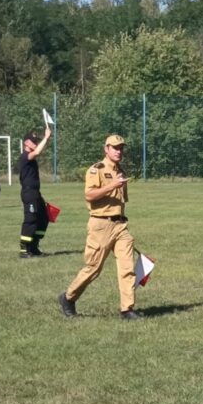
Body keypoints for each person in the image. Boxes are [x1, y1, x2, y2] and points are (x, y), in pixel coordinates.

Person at [59, 135, 142, 320]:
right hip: (100, 224)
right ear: (106, 149)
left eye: (121, 148)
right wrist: (112, 185)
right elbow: (89, 195)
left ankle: (127, 309)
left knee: (127, 267)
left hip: (120, 225)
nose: (119, 151)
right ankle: (68, 297)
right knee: (94, 268)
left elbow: (121, 200)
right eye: (115, 148)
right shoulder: (96, 170)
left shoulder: (120, 170)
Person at [18, 127, 52, 258]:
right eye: (33, 142)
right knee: (30, 219)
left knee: (44, 218)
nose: (35, 144)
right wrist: (46, 138)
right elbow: (37, 152)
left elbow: (38, 151)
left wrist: (45, 140)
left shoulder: (31, 157)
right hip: (29, 193)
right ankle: (24, 249)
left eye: (36, 142)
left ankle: (34, 246)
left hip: (36, 193)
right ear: (26, 143)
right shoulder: (25, 157)